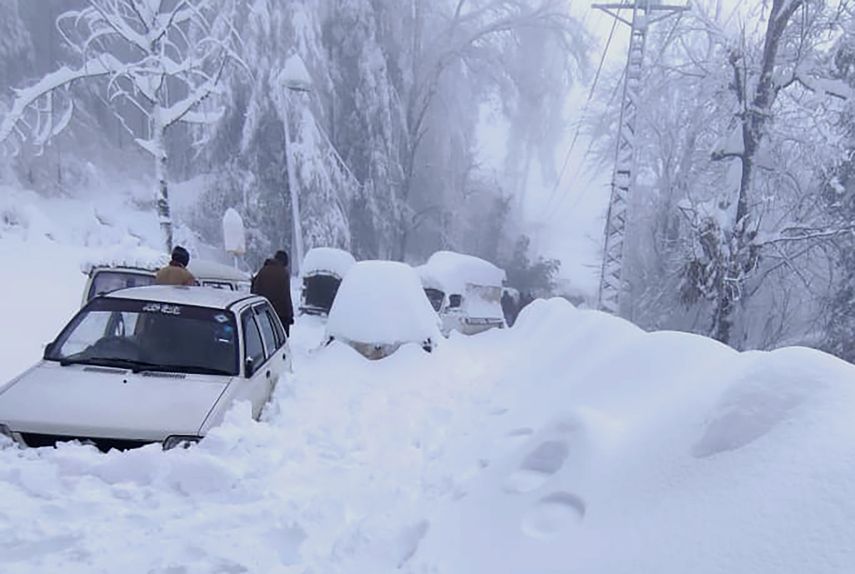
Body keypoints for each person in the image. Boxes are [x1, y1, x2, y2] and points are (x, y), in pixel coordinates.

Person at [251, 250, 295, 336]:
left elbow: (254, 289)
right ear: (284, 261)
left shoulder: (263, 270)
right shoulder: (283, 273)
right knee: (279, 338)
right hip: (280, 314)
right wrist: (289, 315)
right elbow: (286, 296)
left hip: (261, 311)